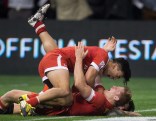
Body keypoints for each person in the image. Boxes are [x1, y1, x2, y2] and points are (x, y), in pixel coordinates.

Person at [18, 3, 131, 116]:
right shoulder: (103, 58)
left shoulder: (101, 60)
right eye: (118, 75)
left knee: (63, 98)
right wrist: (89, 92)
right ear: (115, 66)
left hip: (55, 60)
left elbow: (93, 74)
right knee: (64, 91)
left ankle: (38, 25)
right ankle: (29, 101)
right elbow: (87, 79)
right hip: (57, 60)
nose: (114, 79)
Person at [0, 43, 132, 116]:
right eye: (118, 77)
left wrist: (80, 58)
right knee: (64, 93)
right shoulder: (101, 92)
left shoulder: (101, 100)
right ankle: (25, 103)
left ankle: (8, 106)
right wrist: (104, 52)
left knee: (64, 94)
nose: (114, 83)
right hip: (62, 103)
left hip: (62, 105)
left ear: (115, 99)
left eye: (117, 87)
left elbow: (81, 83)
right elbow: (95, 76)